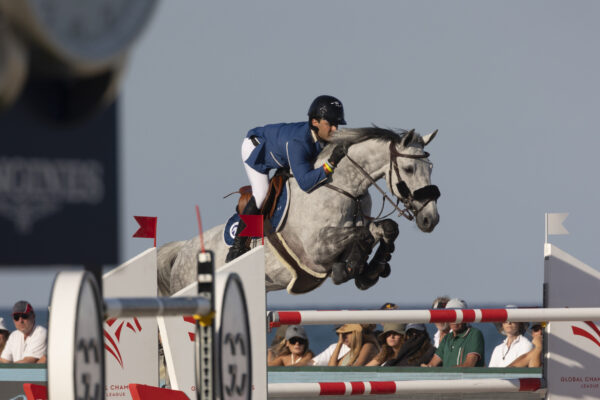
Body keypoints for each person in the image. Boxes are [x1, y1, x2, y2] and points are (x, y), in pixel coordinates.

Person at [226, 95, 348, 262]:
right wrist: (331, 164)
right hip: (256, 150)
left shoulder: (318, 136)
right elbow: (305, 183)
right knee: (261, 194)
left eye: (337, 124)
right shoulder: (298, 143)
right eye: (330, 124)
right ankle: (237, 246)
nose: (335, 129)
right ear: (314, 122)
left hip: (278, 149)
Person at [422, 298, 485, 367]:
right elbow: (432, 364)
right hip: (450, 377)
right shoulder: (447, 338)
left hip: (462, 378)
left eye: (459, 316)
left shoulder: (474, 334)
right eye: (451, 315)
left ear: (466, 316)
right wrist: (426, 367)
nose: (455, 320)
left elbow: (469, 365)